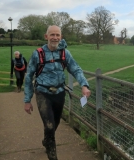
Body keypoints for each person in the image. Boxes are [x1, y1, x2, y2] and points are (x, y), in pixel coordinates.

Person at [23, 25, 91, 160]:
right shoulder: (38, 54)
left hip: (60, 93)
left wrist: (84, 85)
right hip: (43, 93)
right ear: (46, 36)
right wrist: (27, 100)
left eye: (57, 35)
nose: (55, 37)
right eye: (52, 35)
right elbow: (29, 76)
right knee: (49, 125)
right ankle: (52, 154)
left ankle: (47, 140)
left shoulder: (65, 53)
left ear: (61, 37)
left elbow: (76, 69)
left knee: (55, 124)